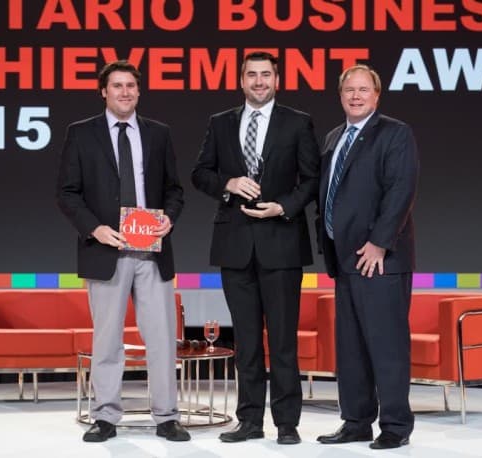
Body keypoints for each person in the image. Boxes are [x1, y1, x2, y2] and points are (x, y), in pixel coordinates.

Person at [56, 60, 189, 443]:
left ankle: (167, 417)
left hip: (152, 252)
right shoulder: (81, 134)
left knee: (162, 338)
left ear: (139, 90)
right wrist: (94, 228)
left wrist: (170, 219)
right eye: (117, 86)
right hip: (106, 251)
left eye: (131, 85)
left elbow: (173, 190)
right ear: (104, 91)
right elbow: (67, 192)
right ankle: (105, 417)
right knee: (107, 338)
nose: (125, 92)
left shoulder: (158, 134)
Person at [191, 51, 320, 445]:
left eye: (266, 75)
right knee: (246, 340)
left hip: (281, 243)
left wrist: (285, 206)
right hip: (235, 246)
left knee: (282, 339)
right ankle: (248, 420)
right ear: (241, 81)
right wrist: (227, 184)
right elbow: (200, 173)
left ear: (277, 81)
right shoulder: (220, 123)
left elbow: (313, 179)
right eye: (252, 75)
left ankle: (286, 423)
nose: (259, 81)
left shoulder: (298, 123)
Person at [316, 65, 419, 450]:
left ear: (377, 95)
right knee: (353, 347)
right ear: (340, 95)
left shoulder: (395, 133)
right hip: (345, 259)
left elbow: (400, 191)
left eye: (363, 90)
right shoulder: (333, 137)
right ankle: (356, 421)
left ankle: (394, 426)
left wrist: (379, 242)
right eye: (349, 90)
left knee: (386, 345)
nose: (356, 96)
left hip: (380, 259)